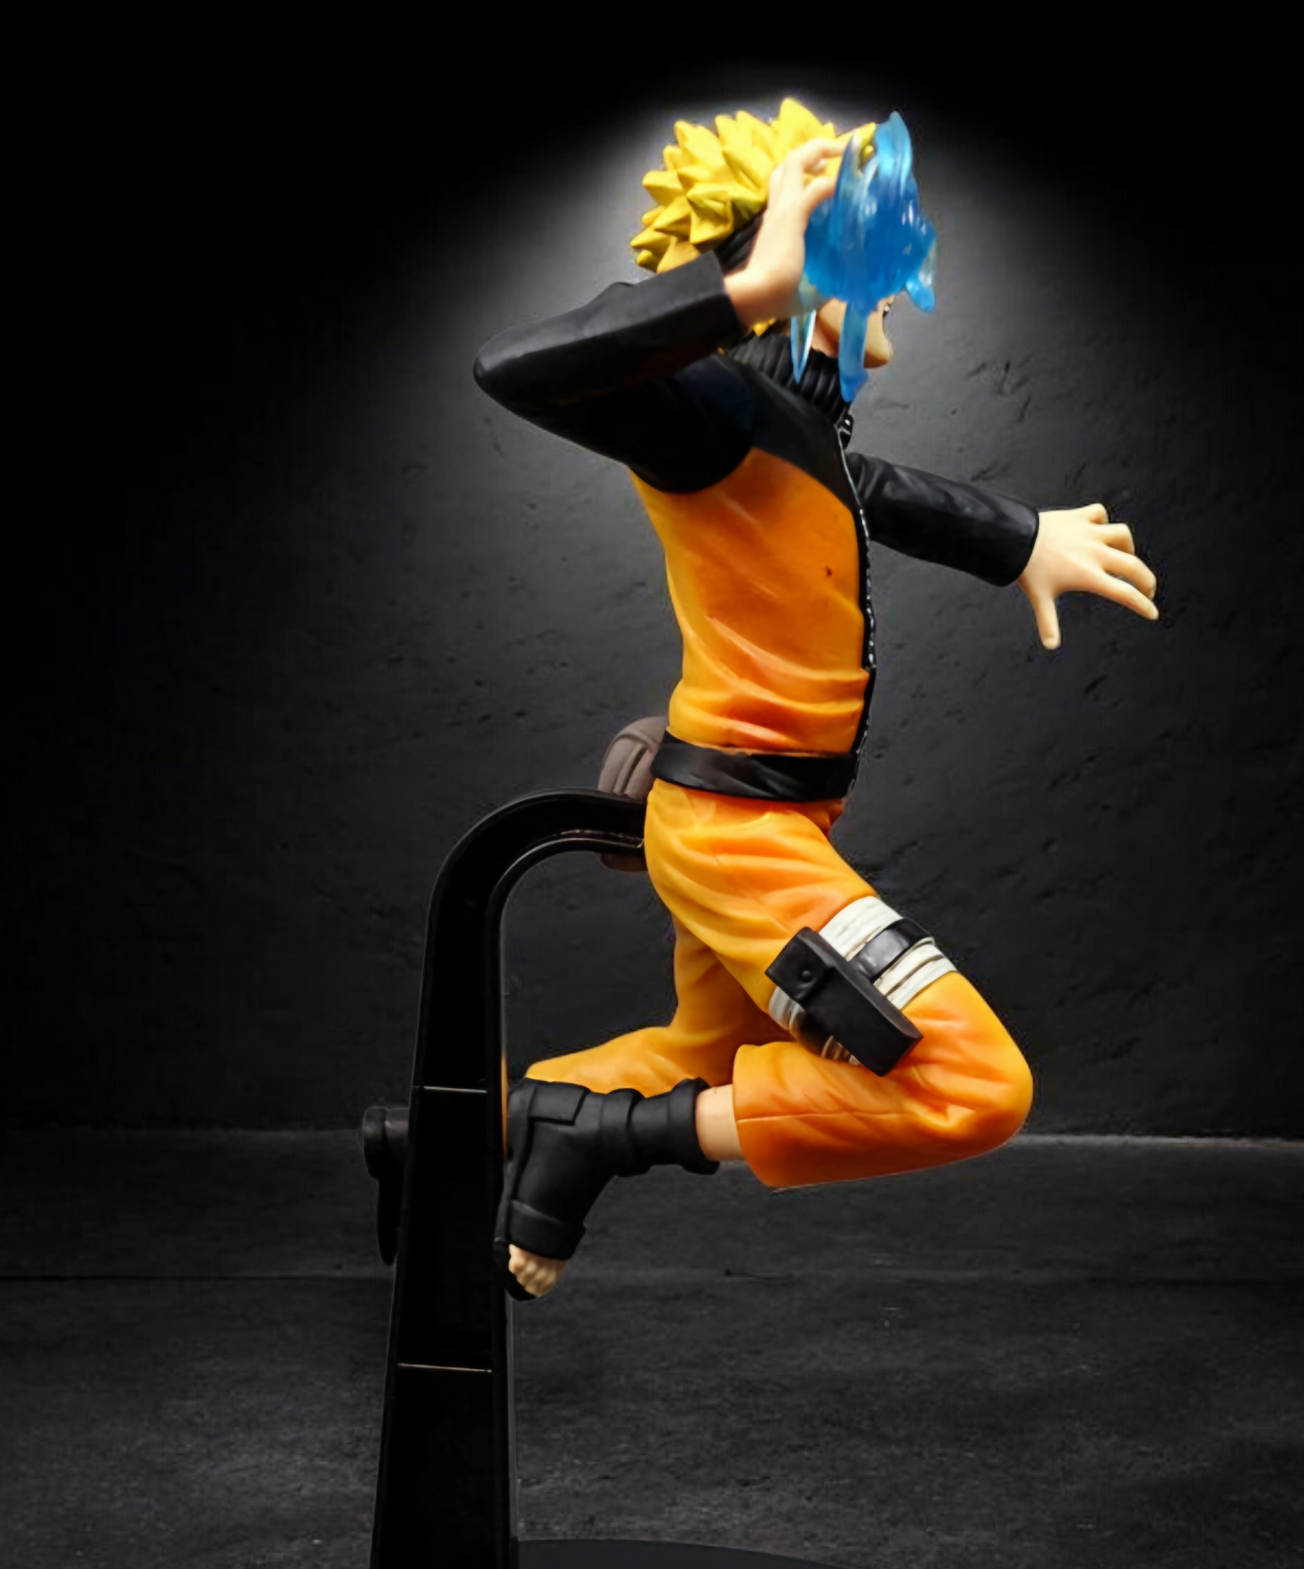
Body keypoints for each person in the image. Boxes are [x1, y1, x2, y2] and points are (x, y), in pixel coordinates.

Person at [473, 101, 1158, 1297]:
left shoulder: (791, 431)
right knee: (969, 1084)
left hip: (761, 816)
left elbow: (873, 489)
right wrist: (737, 290)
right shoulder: (709, 414)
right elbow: (516, 367)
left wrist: (1018, 536)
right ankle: (589, 1139)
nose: (893, 308)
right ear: (798, 255)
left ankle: (459, 1129)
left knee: (696, 1053)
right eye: (874, 273)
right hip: (740, 835)